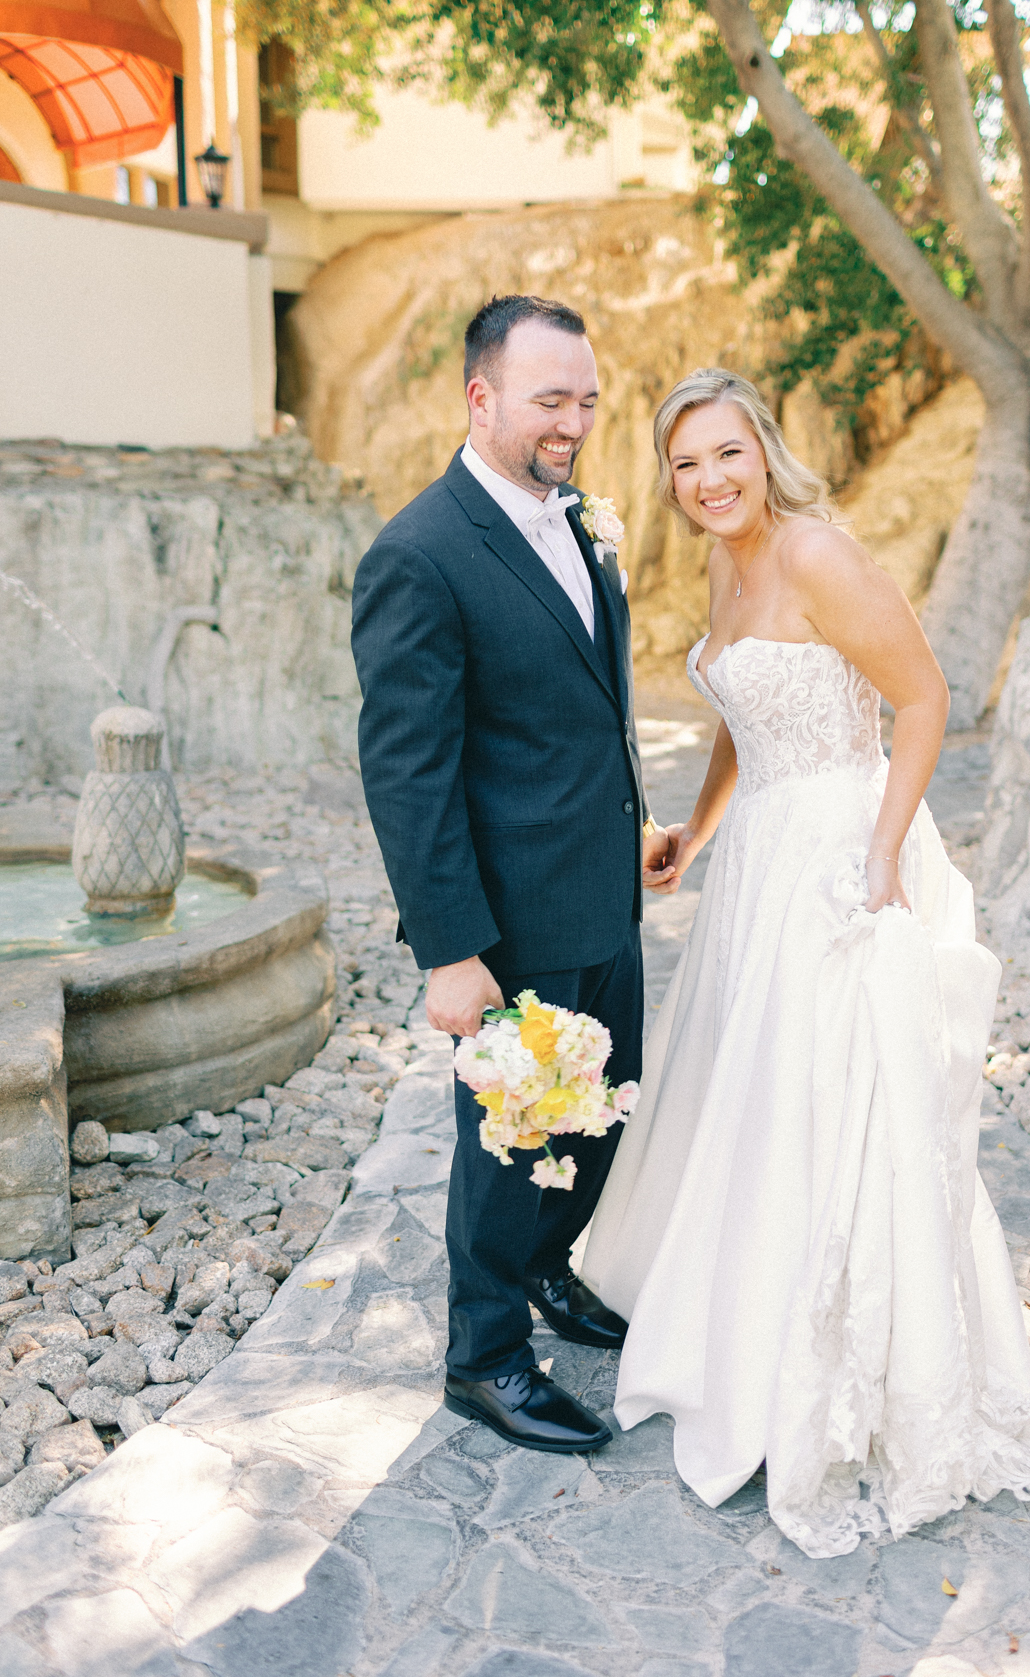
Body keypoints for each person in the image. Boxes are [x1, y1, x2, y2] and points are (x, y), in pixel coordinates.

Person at [583, 369, 1030, 1556]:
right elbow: (741, 720)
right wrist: (694, 836)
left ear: (764, 448)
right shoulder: (726, 561)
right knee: (754, 1099)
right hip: (756, 863)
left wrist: (880, 859)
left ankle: (845, 1374)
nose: (709, 480)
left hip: (837, 856)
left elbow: (923, 697)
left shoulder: (817, 553)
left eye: (727, 454)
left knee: (842, 1106)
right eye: (685, 465)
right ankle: (738, 1329)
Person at [352, 295, 658, 1455]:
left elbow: (578, 709)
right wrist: (448, 949)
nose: (573, 421)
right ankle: (482, 1358)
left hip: (600, 899)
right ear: (480, 398)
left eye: (586, 398)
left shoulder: (574, 521)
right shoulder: (419, 554)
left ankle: (545, 1269)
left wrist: (627, 828)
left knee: (598, 1118)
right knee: (510, 1144)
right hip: (506, 925)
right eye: (549, 399)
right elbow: (409, 774)